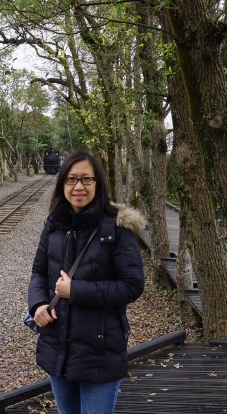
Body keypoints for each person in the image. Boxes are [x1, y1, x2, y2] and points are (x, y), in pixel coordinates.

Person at [27, 150, 146, 414]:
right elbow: (38, 272)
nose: (78, 186)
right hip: (58, 343)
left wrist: (75, 290)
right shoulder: (54, 224)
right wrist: (38, 304)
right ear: (62, 184)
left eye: (86, 179)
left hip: (99, 350)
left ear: (97, 183)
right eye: (71, 179)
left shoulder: (116, 228)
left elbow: (132, 285)